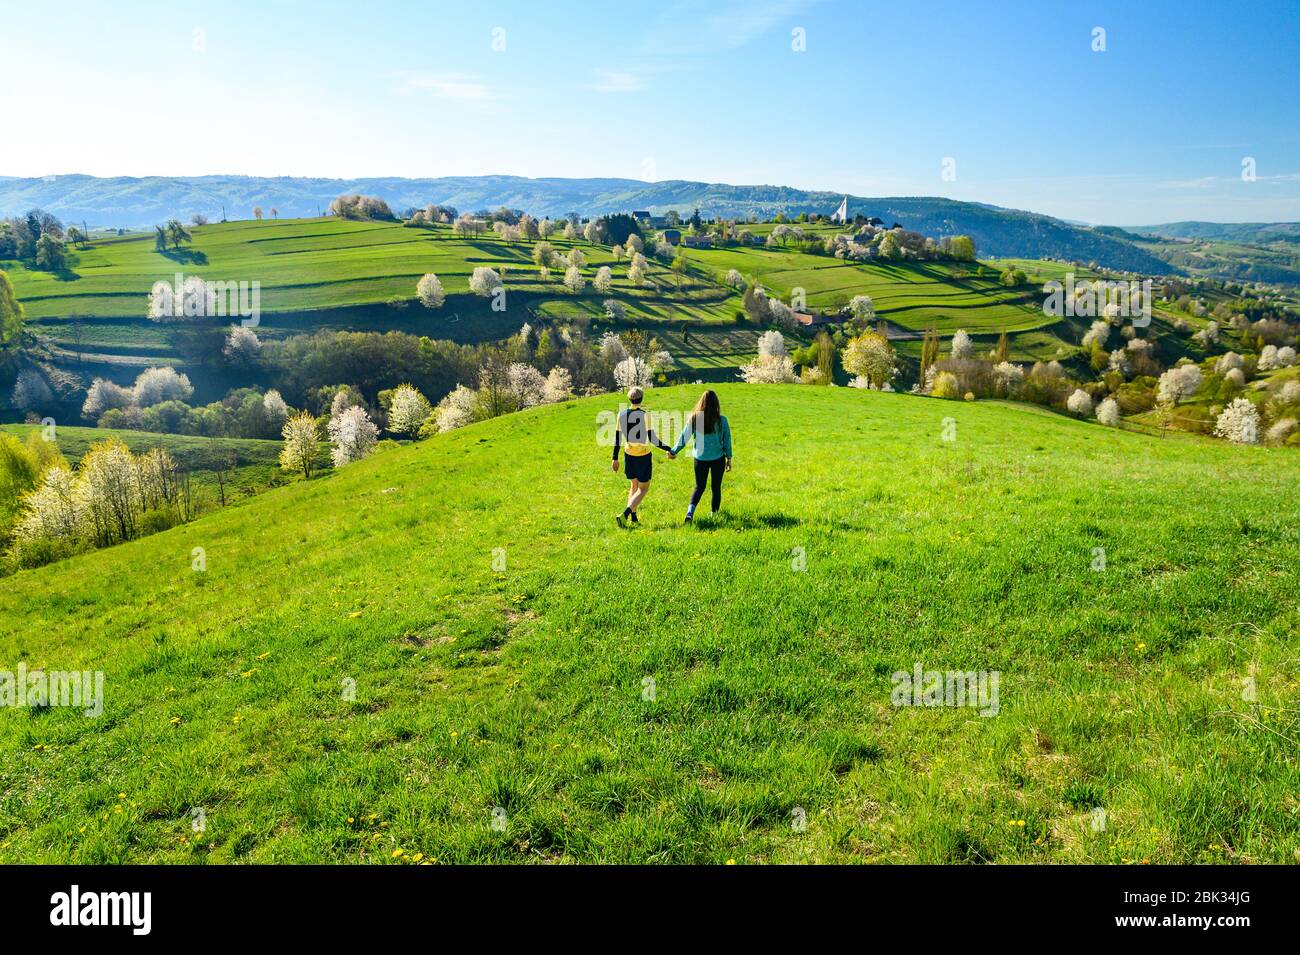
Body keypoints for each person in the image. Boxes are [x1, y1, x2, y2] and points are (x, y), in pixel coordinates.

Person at [611, 386, 673, 528]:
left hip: (628, 455)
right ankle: (625, 514)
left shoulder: (621, 415)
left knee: (633, 485)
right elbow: (653, 439)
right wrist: (669, 448)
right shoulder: (646, 415)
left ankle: (634, 518)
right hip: (643, 456)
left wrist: (615, 458)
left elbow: (617, 440)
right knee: (643, 488)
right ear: (642, 398)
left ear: (629, 399)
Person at [670, 389, 732, 524]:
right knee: (716, 487)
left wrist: (673, 451)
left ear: (701, 402)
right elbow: (727, 440)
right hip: (718, 459)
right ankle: (714, 513)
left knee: (699, 487)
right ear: (716, 404)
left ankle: (690, 513)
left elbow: (684, 437)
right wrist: (729, 458)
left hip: (700, 459)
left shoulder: (694, 419)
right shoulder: (722, 420)